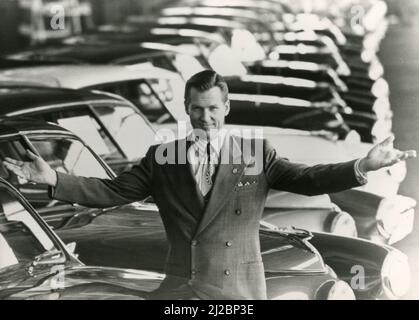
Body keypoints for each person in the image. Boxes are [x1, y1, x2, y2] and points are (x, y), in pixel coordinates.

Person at [2, 70, 416, 300]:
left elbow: (308, 180)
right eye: (197, 110)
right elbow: (113, 192)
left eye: (213, 109)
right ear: (186, 110)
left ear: (227, 108)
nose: (205, 118)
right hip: (181, 289)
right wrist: (53, 177)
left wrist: (363, 163)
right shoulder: (163, 157)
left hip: (239, 291)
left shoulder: (256, 153)